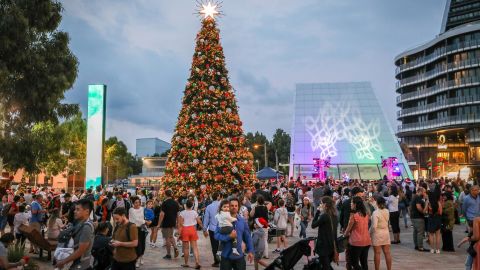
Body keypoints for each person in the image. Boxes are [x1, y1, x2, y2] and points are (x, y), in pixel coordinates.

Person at [54, 199, 95, 270]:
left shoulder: (86, 227)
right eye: (75, 209)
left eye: (78, 209)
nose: (74, 211)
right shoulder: (79, 222)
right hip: (76, 263)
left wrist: (63, 261)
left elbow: (81, 250)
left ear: (87, 212)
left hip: (81, 265)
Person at [215, 198, 254, 270]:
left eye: (236, 205)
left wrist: (250, 251)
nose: (234, 207)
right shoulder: (222, 220)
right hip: (226, 256)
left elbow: (248, 237)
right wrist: (229, 236)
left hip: (239, 256)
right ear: (228, 206)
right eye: (232, 205)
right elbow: (216, 235)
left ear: (238, 207)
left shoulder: (242, 221)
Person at [311, 196, 339, 269]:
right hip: (331, 245)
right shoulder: (335, 215)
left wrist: (317, 212)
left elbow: (313, 225)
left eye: (321, 203)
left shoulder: (324, 216)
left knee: (326, 266)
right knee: (325, 265)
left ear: (325, 204)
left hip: (323, 245)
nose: (320, 205)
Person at [345, 196, 371, 270]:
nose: (350, 204)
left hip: (356, 242)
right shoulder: (366, 215)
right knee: (364, 262)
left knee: (354, 263)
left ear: (355, 204)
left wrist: (344, 235)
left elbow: (348, 230)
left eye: (352, 202)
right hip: (366, 240)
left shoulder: (354, 216)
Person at [178, 199, 203, 269]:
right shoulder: (194, 212)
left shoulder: (182, 213)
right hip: (192, 229)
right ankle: (197, 262)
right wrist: (204, 229)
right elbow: (199, 222)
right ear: (192, 206)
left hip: (185, 229)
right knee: (195, 247)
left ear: (185, 205)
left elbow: (180, 224)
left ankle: (186, 263)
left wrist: (178, 233)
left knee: (186, 248)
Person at [370, 197, 392, 270]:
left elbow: (374, 226)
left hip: (377, 233)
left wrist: (369, 233)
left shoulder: (375, 213)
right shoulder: (387, 211)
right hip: (385, 232)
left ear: (377, 203)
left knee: (377, 253)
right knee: (387, 252)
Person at [158, 189, 180, 260]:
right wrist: (177, 223)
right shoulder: (175, 203)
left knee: (167, 238)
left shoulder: (164, 203)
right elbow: (178, 214)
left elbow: (162, 214)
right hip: (173, 221)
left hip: (166, 222)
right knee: (171, 236)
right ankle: (175, 248)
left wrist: (159, 224)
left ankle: (168, 254)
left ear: (165, 194)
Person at [128, 196, 149, 268]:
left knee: (142, 243)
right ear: (133, 203)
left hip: (142, 228)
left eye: (139, 202)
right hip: (134, 229)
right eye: (136, 203)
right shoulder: (131, 210)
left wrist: (146, 221)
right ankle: (136, 259)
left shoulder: (142, 209)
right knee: (137, 245)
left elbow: (144, 217)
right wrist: (145, 221)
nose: (137, 204)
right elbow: (136, 219)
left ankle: (141, 257)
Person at [202, 192, 222, 267]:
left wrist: (204, 229)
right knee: (223, 244)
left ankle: (216, 262)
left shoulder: (209, 207)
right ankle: (224, 260)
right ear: (218, 196)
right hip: (223, 227)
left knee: (214, 246)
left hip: (213, 229)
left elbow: (206, 218)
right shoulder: (222, 205)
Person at [410, 187, 429, 252]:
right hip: (418, 217)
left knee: (415, 231)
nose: (424, 193)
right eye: (424, 192)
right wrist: (423, 211)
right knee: (420, 232)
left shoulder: (415, 197)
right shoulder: (418, 197)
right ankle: (420, 247)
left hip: (413, 217)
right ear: (420, 191)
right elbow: (418, 207)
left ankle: (416, 245)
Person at [426, 185, 442, 254]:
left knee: (431, 235)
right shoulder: (438, 203)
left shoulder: (429, 203)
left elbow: (425, 211)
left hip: (431, 218)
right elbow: (441, 212)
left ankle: (432, 249)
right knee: (438, 235)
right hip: (437, 218)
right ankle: (438, 249)